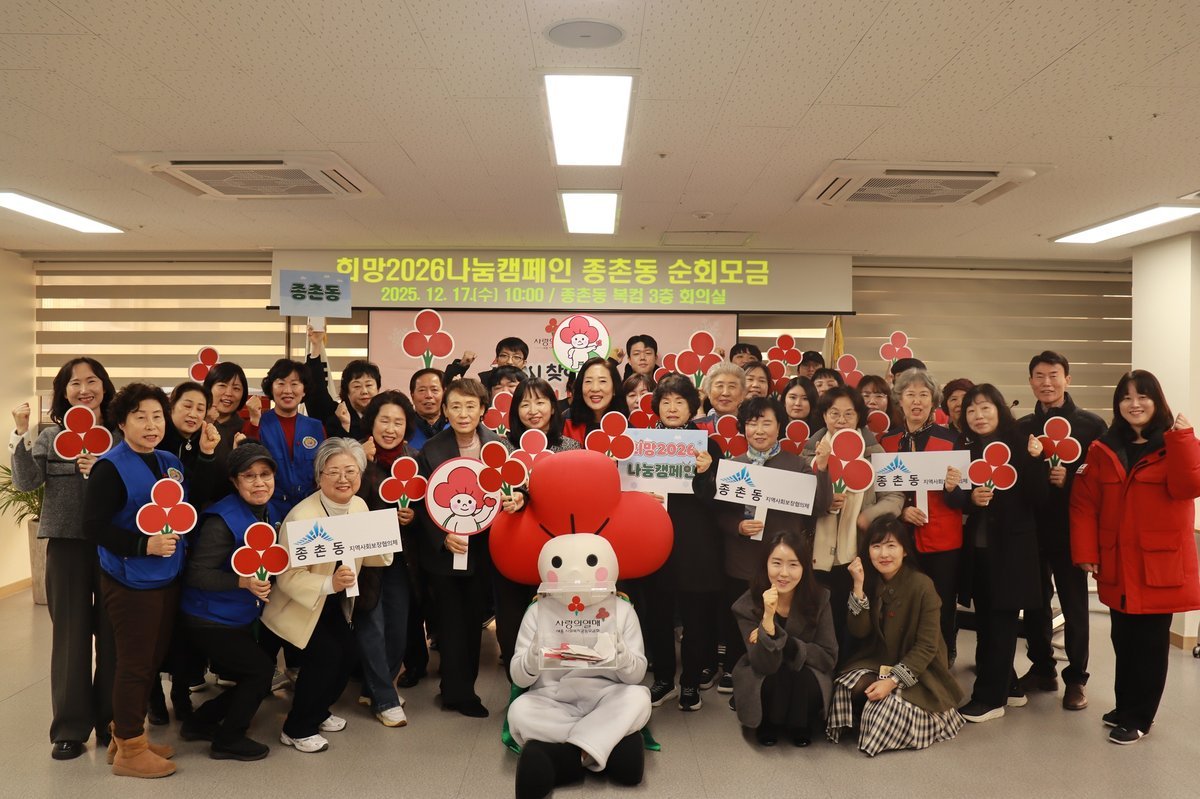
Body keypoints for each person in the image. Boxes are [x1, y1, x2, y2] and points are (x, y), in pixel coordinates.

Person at [1070, 370, 1200, 744]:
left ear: (1156, 401)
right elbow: (1084, 504)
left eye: (1142, 396)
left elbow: (1190, 486)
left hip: (1158, 564)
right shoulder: (1103, 447)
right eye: (1126, 397)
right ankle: (1125, 705)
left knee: (1150, 645)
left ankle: (1140, 717)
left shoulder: (1174, 443)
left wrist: (1184, 439)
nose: (1134, 404)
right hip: (1117, 562)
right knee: (1123, 639)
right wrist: (1086, 552)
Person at [10, 357, 117, 761]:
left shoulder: (120, 435)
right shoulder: (50, 436)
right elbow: (26, 482)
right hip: (66, 545)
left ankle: (112, 723)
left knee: (113, 635)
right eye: (75, 383)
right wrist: (21, 433)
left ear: (104, 386)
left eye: (92, 381)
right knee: (70, 637)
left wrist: (104, 470)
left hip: (113, 545)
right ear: (63, 392)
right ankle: (70, 729)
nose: (84, 389)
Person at [261, 438, 393, 752]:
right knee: (326, 656)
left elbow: (365, 553)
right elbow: (287, 577)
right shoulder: (302, 517)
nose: (343, 479)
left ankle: (318, 711)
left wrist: (385, 544)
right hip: (298, 607)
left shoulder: (359, 506)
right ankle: (296, 728)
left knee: (348, 653)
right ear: (319, 476)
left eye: (350, 471)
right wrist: (329, 584)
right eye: (333, 472)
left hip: (334, 603)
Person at [84, 383, 187, 778]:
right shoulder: (109, 467)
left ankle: (125, 736)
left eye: (157, 416)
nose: (151, 424)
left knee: (153, 659)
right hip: (129, 580)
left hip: (166, 575)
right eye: (140, 417)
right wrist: (143, 545)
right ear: (122, 423)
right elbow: (93, 527)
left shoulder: (167, 461)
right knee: (135, 663)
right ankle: (130, 749)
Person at [508, 536, 652, 799]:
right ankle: (601, 746)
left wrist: (623, 657)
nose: (575, 574)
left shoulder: (622, 609)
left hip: (607, 696)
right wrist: (532, 657)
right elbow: (519, 677)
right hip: (552, 698)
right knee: (520, 711)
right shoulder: (537, 611)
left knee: (639, 698)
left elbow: (636, 675)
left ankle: (565, 757)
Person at [703, 396, 824, 694]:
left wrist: (822, 469)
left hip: (781, 564)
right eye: (752, 423)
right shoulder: (733, 466)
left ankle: (773, 671)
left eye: (766, 423)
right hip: (741, 560)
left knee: (778, 619)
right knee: (740, 619)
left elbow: (818, 506)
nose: (759, 430)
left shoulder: (797, 465)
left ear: (779, 426)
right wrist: (738, 526)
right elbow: (718, 516)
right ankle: (735, 669)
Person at [948, 384, 1047, 722]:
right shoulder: (965, 448)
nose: (978, 415)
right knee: (988, 623)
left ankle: (989, 699)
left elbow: (1039, 497)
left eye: (985, 407)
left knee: (1000, 624)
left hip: (1011, 551)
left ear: (999, 409)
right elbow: (958, 500)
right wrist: (968, 498)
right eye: (971, 410)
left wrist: (1036, 460)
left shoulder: (1020, 443)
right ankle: (1009, 687)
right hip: (979, 552)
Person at [178, 442, 283, 760]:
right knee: (260, 672)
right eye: (249, 476)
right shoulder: (221, 521)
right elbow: (196, 574)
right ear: (235, 481)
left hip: (238, 614)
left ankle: (199, 722)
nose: (259, 482)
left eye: (265, 474)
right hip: (207, 617)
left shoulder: (272, 511)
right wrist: (243, 581)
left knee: (258, 672)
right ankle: (228, 738)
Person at [1015, 351, 1106, 710]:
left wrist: (1069, 481)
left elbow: (1103, 481)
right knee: (1034, 603)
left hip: (1071, 530)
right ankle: (1042, 668)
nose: (1047, 383)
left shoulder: (1091, 425)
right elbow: (1015, 479)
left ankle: (1077, 679)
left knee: (1074, 604)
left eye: (1054, 375)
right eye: (1039, 376)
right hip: (1031, 529)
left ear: (1067, 379)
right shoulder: (1022, 428)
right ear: (1030, 382)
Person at [828, 517, 964, 756]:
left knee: (880, 715)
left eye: (891, 546)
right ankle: (873, 709)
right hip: (879, 661)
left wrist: (892, 682)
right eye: (876, 546)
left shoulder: (923, 585)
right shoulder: (869, 580)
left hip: (921, 671)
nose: (884, 554)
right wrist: (858, 587)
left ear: (904, 551)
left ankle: (894, 710)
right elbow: (859, 631)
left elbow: (926, 647)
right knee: (846, 687)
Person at [417, 378, 510, 717]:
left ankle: (462, 688)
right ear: (445, 410)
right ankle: (456, 692)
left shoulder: (500, 446)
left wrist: (513, 500)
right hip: (446, 549)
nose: (463, 413)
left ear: (483, 409)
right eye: (455, 406)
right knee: (449, 621)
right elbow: (422, 502)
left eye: (470, 406)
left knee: (472, 620)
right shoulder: (431, 450)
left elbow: (513, 489)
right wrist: (441, 537)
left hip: (484, 549)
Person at [636, 374, 724, 711]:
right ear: (656, 406)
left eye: (680, 402)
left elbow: (718, 501)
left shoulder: (708, 447)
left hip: (695, 546)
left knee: (695, 618)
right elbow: (627, 491)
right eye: (666, 401)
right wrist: (642, 496)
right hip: (653, 541)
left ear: (692, 407)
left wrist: (706, 473)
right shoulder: (642, 443)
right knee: (657, 614)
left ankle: (690, 683)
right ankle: (663, 679)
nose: (672, 408)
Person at [803, 386, 904, 648]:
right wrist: (824, 502)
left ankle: (849, 665)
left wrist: (869, 515)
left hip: (858, 550)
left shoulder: (875, 452)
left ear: (859, 416)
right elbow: (798, 499)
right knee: (819, 618)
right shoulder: (810, 452)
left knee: (853, 617)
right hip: (816, 554)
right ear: (824, 415)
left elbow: (895, 497)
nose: (841, 420)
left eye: (849, 413)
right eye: (834, 413)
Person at [877, 370, 964, 665]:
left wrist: (952, 488)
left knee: (941, 601)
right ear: (899, 400)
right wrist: (901, 511)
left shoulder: (951, 439)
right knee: (900, 598)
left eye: (924, 395)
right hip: (900, 537)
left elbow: (962, 500)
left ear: (933, 401)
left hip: (942, 536)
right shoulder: (887, 442)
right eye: (910, 395)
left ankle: (942, 656)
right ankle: (902, 657)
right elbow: (880, 492)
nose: (917, 401)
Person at [731, 530, 837, 747]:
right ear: (765, 565)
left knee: (802, 677)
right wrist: (767, 621)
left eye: (793, 565)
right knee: (772, 677)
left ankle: (800, 724)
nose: (784, 573)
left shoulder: (820, 599)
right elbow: (763, 664)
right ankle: (768, 723)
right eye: (777, 563)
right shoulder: (746, 605)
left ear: (805, 567)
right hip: (766, 672)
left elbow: (828, 657)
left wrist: (785, 642)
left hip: (805, 673)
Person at [356, 391, 422, 727]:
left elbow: (428, 506)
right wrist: (359, 461)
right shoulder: (354, 455)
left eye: (398, 422)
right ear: (372, 422)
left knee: (398, 626)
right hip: (364, 559)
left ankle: (377, 688)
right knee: (371, 624)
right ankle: (384, 698)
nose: (390, 428)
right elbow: (339, 501)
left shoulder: (415, 459)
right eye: (384, 420)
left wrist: (413, 517)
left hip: (400, 557)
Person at [243, 358, 326, 513]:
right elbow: (246, 463)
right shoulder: (257, 423)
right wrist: (254, 421)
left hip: (309, 507)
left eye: (294, 384)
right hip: (269, 507)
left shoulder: (315, 427)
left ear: (304, 390)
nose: (287, 390)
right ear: (271, 388)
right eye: (281, 383)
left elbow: (324, 468)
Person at [562, 357, 628, 445]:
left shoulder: (627, 428)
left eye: (602, 381)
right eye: (588, 381)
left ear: (614, 389)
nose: (595, 388)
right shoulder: (565, 422)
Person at [324, 359, 381, 440]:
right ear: (347, 391)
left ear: (378, 388)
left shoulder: (385, 414)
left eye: (369, 385)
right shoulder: (336, 420)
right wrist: (345, 425)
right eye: (357, 386)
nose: (364, 391)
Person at [408, 368, 448, 450]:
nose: (429, 395)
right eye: (422, 390)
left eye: (434, 390)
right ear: (412, 396)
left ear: (444, 393)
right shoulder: (405, 429)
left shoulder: (455, 427)